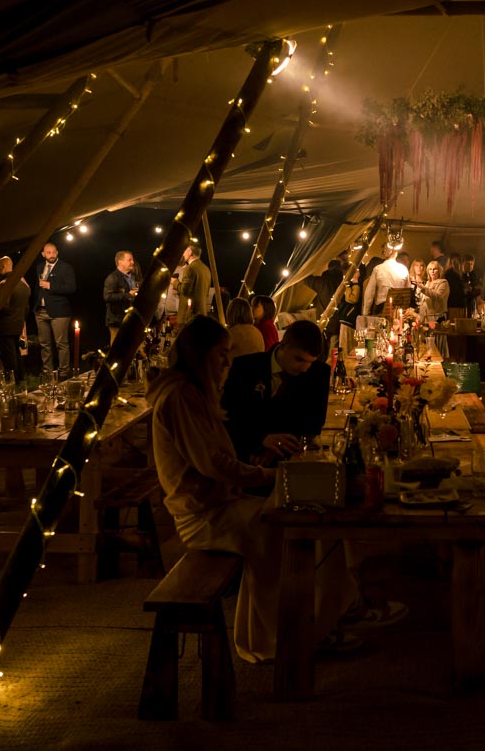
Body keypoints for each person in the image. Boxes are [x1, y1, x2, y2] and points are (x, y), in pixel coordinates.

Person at [148, 316, 357, 663]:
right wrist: (267, 475)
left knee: (307, 522)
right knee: (281, 531)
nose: (227, 362)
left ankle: (308, 624)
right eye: (221, 354)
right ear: (200, 354)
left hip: (221, 501)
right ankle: (277, 638)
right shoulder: (180, 397)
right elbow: (213, 464)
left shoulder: (193, 391)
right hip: (203, 513)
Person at [222, 319, 331, 463]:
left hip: (292, 459)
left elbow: (312, 425)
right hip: (246, 458)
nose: (305, 368)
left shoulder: (318, 374)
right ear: (283, 345)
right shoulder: (245, 367)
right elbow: (230, 416)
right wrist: (260, 440)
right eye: (299, 359)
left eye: (310, 362)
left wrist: (275, 451)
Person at [35, 242, 75, 379]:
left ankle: (64, 372)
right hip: (41, 311)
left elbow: (71, 288)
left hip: (59, 312)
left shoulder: (65, 267)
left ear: (57, 252)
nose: (51, 255)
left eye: (53, 252)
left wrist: (50, 285)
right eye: (48, 252)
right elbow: (38, 288)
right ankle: (48, 372)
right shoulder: (40, 267)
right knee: (44, 344)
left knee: (61, 343)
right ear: (43, 254)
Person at [0, 256, 29, 383]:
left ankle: (11, 384)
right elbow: (26, 309)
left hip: (4, 327)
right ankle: (20, 381)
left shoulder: (6, 284)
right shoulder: (23, 285)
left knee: (8, 359)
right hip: (17, 326)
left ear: (6, 267)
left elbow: (1, 307)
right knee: (16, 355)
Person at [361, 246, 409, 316]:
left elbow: (369, 294)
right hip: (399, 308)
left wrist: (365, 312)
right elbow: (408, 291)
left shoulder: (378, 269)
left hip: (382, 309)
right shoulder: (403, 269)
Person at [103, 250, 137, 344]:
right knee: (117, 346)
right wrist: (128, 295)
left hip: (130, 318)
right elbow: (107, 297)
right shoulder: (113, 278)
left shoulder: (133, 277)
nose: (132, 262)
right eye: (129, 260)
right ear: (120, 262)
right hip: (116, 320)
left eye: (132, 260)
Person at [178, 244, 212, 327]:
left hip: (189, 314)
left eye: (185, 251)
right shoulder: (206, 269)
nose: (183, 254)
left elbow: (185, 290)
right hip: (202, 313)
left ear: (190, 252)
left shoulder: (190, 268)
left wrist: (175, 282)